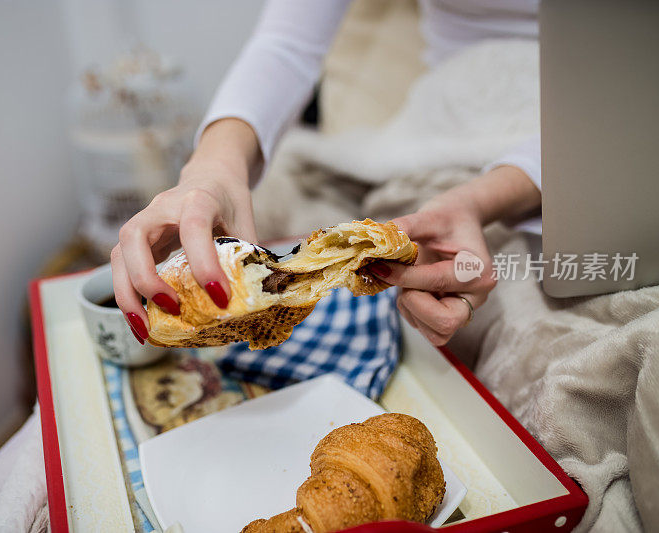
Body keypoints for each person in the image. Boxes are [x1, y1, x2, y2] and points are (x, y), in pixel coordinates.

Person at [112, 0, 544, 347]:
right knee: (193, 237)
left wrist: (478, 200)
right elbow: (287, 45)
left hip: (551, 171)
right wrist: (211, 170)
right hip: (432, 134)